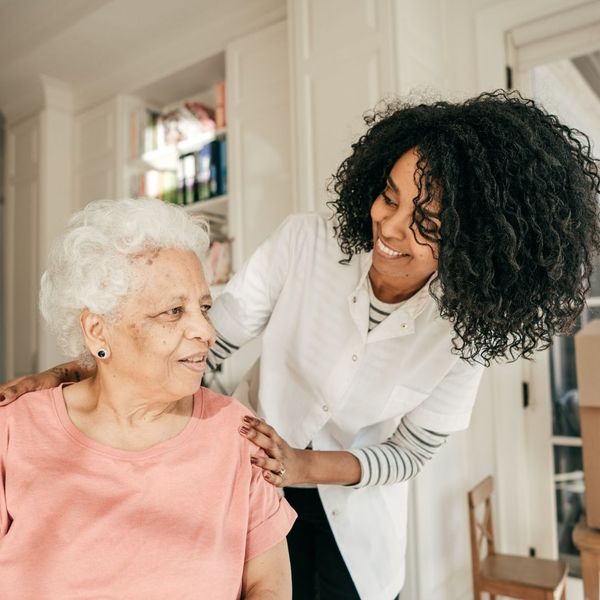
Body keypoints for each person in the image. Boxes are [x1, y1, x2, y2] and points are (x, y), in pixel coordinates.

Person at [2, 90, 600, 599]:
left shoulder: (465, 332)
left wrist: (304, 466)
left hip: (353, 519)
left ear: (475, 243)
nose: (390, 228)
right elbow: (205, 341)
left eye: (428, 225)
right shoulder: (306, 246)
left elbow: (411, 452)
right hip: (248, 477)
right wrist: (90, 375)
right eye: (389, 197)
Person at [0, 198, 296, 599]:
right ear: (98, 330)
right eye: (173, 311)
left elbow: (268, 584)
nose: (206, 333)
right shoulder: (13, 430)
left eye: (204, 308)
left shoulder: (235, 431)